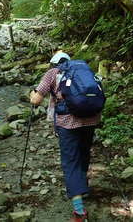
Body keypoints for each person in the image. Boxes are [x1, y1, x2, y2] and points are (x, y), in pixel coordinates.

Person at [29, 52, 102, 222]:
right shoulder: (85, 70)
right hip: (91, 119)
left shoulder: (52, 73)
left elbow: (36, 100)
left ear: (53, 63)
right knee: (83, 154)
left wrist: (31, 94)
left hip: (68, 123)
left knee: (70, 162)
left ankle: (79, 211)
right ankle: (82, 187)